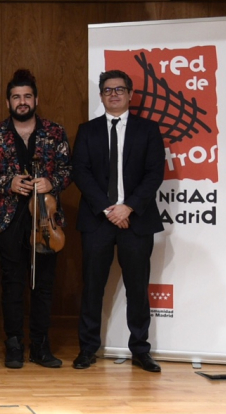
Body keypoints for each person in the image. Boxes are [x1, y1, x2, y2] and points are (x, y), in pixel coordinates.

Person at [72, 70, 165, 373]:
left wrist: (128, 208)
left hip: (136, 221)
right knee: (92, 288)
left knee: (138, 288)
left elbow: (154, 174)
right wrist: (108, 209)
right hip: (98, 221)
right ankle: (87, 349)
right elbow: (81, 173)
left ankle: (140, 349)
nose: (114, 94)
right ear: (101, 95)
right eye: (108, 90)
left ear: (130, 94)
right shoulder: (87, 131)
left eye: (120, 89)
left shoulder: (149, 130)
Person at [0, 69, 72, 369]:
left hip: (46, 220)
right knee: (11, 284)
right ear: (8, 102)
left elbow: (67, 171)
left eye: (27, 96)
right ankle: (13, 344)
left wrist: (52, 183)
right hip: (8, 221)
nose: (22, 102)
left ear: (36, 99)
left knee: (43, 285)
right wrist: (7, 183)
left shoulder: (55, 132)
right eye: (16, 97)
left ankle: (40, 345)